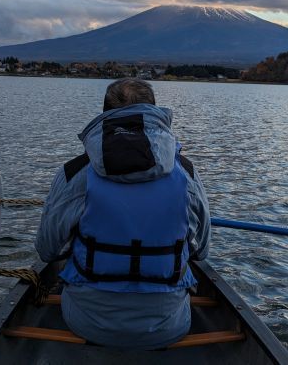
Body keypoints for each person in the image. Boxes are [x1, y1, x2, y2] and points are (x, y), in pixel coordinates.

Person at [36, 78, 211, 350]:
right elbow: (202, 251)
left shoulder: (75, 173)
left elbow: (47, 251)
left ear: (104, 114)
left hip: (87, 322)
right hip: (168, 325)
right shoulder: (186, 173)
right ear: (154, 115)